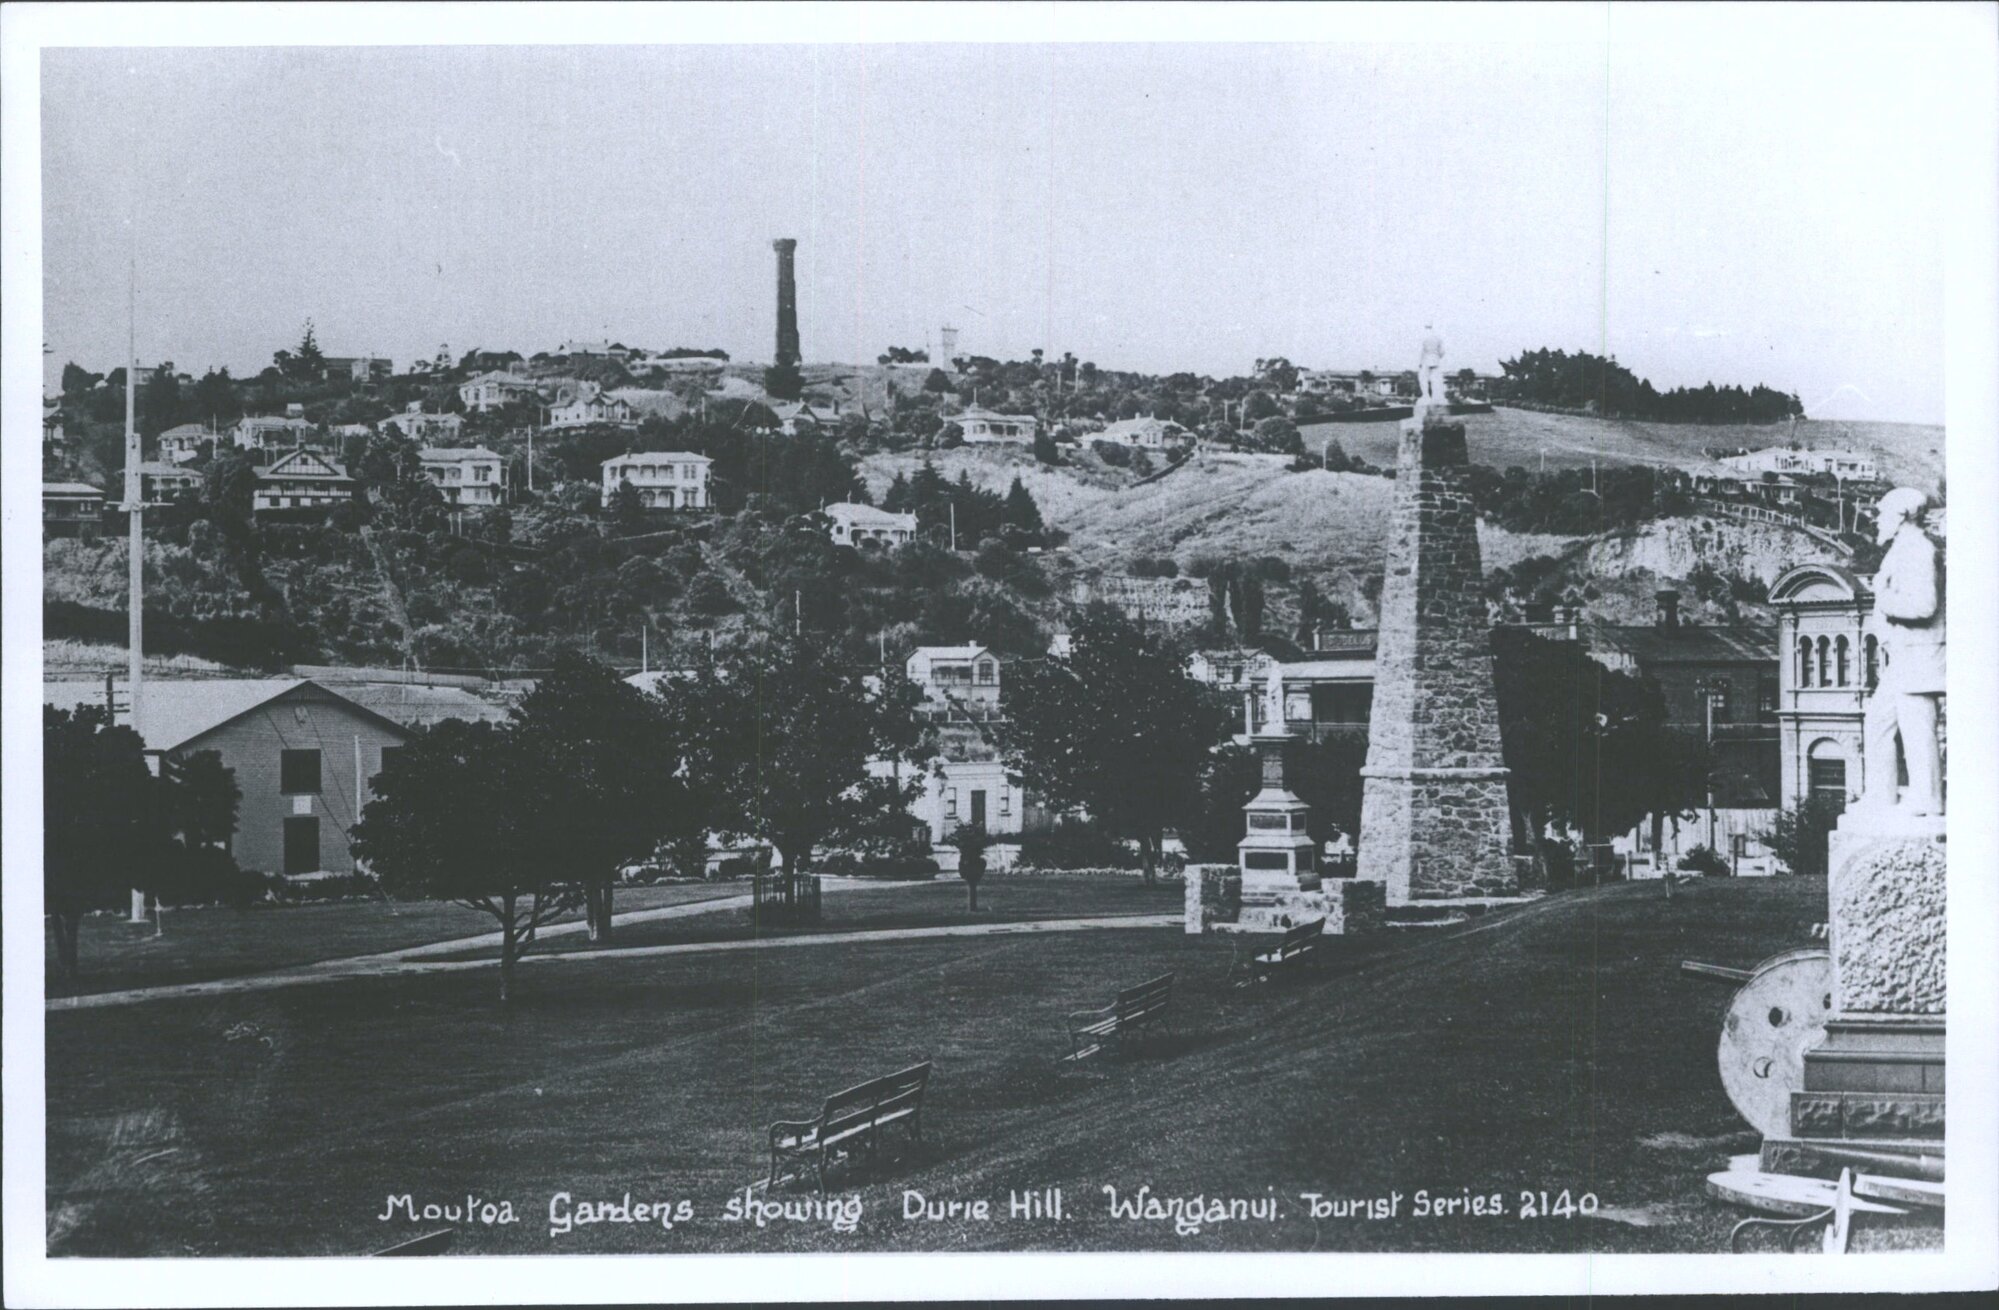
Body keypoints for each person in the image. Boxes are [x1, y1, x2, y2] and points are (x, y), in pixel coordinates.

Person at [1866, 487, 1945, 815]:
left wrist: (1882, 598)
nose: (1877, 522)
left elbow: (1925, 606)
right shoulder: (1902, 548)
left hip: (1919, 654)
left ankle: (1927, 800)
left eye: (1882, 514)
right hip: (1905, 655)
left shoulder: (1918, 549)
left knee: (1916, 726)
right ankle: (1882, 797)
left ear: (1900, 516)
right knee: (1878, 722)